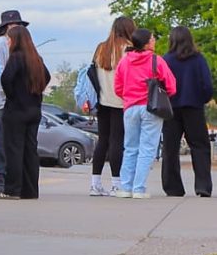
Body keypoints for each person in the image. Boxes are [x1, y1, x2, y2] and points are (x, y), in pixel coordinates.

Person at [115, 28, 177, 199]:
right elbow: (171, 85)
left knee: (130, 148)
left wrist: (128, 97)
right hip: (151, 107)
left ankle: (125, 187)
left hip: (130, 108)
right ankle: (139, 188)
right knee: (147, 148)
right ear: (147, 43)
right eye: (152, 38)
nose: (154, 40)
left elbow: (118, 87)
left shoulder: (124, 61)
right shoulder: (156, 60)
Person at [85, 17, 135, 197]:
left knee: (103, 140)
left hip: (102, 100)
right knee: (117, 141)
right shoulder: (129, 50)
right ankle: (116, 183)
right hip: (121, 102)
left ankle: (95, 183)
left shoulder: (101, 48)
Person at [161, 26, 213, 197]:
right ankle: (203, 186)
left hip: (170, 108)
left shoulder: (166, 60)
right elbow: (207, 85)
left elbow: (159, 83)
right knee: (200, 146)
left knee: (170, 148)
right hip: (194, 107)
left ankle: (173, 187)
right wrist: (203, 99)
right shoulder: (198, 59)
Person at [0, 27, 49, 200]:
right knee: (30, 150)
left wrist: (12, 95)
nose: (7, 42)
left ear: (16, 40)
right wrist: (36, 92)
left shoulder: (15, 57)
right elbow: (47, 76)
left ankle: (13, 189)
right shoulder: (36, 59)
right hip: (34, 109)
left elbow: (6, 79)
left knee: (14, 149)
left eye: (9, 39)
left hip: (16, 110)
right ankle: (30, 190)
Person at [0, 10, 30, 197]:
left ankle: (9, 181)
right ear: (5, 27)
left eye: (18, 25)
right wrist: (8, 95)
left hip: (16, 102)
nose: (15, 27)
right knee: (2, 143)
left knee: (11, 144)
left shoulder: (21, 45)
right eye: (12, 25)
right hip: (2, 102)